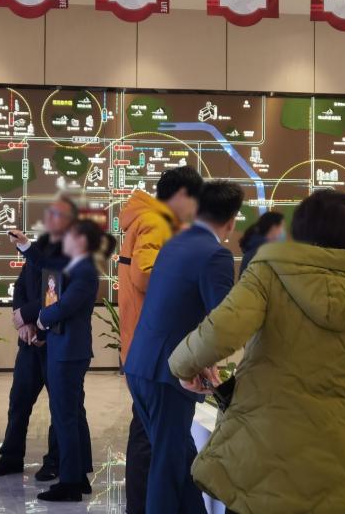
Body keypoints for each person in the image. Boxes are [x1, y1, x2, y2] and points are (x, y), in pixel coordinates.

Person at [168, 190, 345, 514]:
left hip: (258, 460)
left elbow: (219, 332)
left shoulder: (270, 272)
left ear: (300, 230)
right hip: (336, 475)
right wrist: (343, 423)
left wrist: (182, 367)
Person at [125, 181, 244, 514]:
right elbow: (223, 321)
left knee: (176, 455)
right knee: (167, 464)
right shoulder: (216, 255)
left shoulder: (174, 243)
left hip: (141, 366)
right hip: (169, 374)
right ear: (231, 221)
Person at [119, 165, 203, 513]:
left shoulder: (146, 219)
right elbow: (145, 275)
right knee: (154, 440)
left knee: (158, 437)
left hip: (143, 345)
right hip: (155, 347)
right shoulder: (157, 222)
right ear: (182, 195)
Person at [10, 219, 104, 502]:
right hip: (63, 349)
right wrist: (25, 245)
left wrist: (40, 319)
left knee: (65, 417)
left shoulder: (85, 270)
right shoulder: (73, 264)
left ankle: (70, 483)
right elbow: (43, 265)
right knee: (69, 416)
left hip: (69, 352)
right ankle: (77, 477)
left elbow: (65, 305)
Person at [0, 196, 77, 480]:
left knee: (59, 407)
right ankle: (11, 457)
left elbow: (57, 293)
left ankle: (55, 462)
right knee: (19, 401)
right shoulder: (40, 248)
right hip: (29, 343)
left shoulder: (73, 253)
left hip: (55, 342)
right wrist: (23, 321)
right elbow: (20, 287)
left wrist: (29, 318)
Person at [238, 211, 284, 277]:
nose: (282, 231)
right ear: (273, 227)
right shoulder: (266, 254)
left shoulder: (253, 248)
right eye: (281, 227)